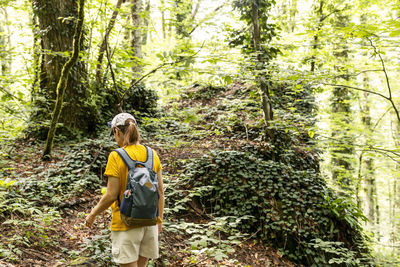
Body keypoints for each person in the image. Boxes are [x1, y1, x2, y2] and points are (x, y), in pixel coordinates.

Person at [86, 112, 164, 267]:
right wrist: (159, 221)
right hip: (149, 222)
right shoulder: (152, 154)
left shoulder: (116, 156)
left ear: (117, 131)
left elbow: (111, 195)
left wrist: (93, 214)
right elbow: (160, 192)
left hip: (125, 224)